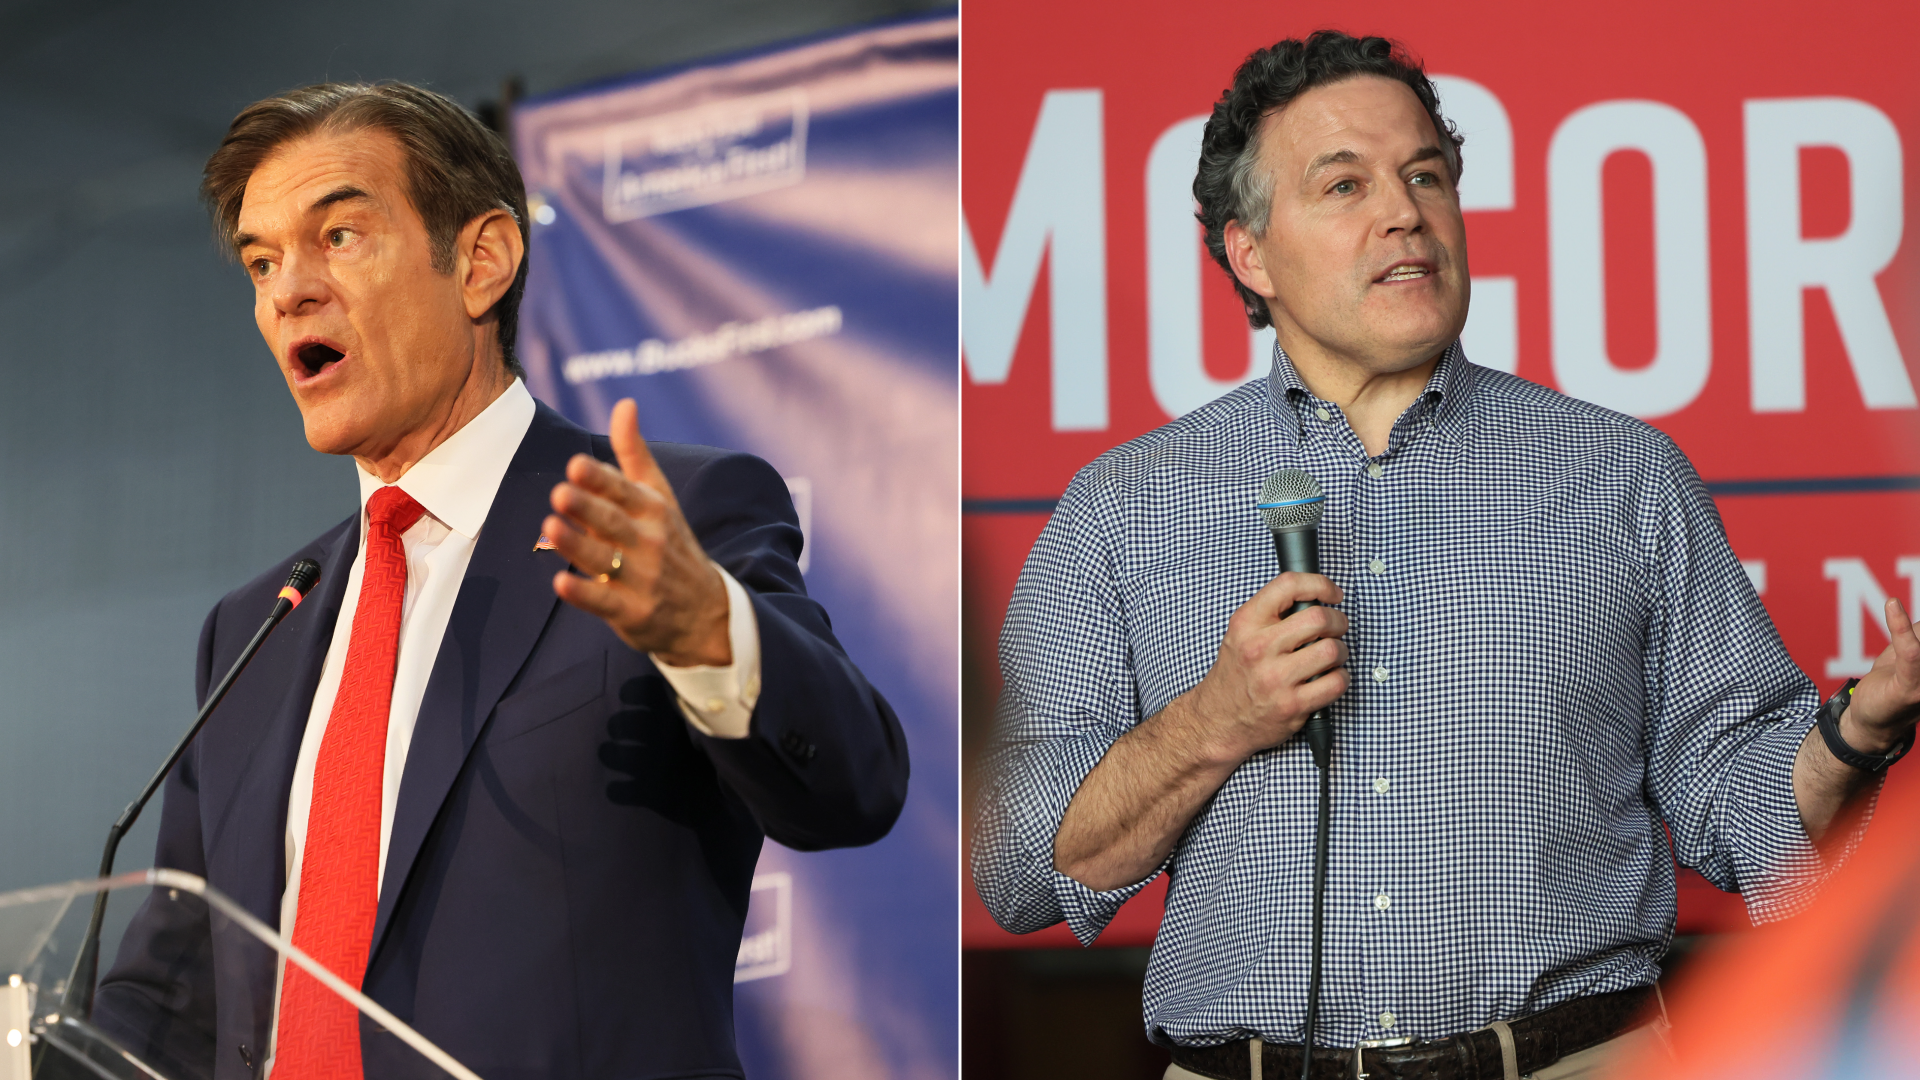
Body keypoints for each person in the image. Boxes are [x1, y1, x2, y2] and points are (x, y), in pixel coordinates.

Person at [970, 30, 1920, 1080]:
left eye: (1426, 175)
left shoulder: (1626, 476)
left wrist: (1858, 731)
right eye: (1345, 185)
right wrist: (1213, 723)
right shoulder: (1123, 509)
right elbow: (1019, 869)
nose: (1404, 212)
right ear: (1250, 254)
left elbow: (1742, 810)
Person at [93, 81, 908, 1080]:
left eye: (338, 236)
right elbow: (172, 1002)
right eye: (263, 262)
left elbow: (853, 785)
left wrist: (708, 629)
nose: (287, 292)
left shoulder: (666, 523)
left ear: (481, 261)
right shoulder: (253, 631)